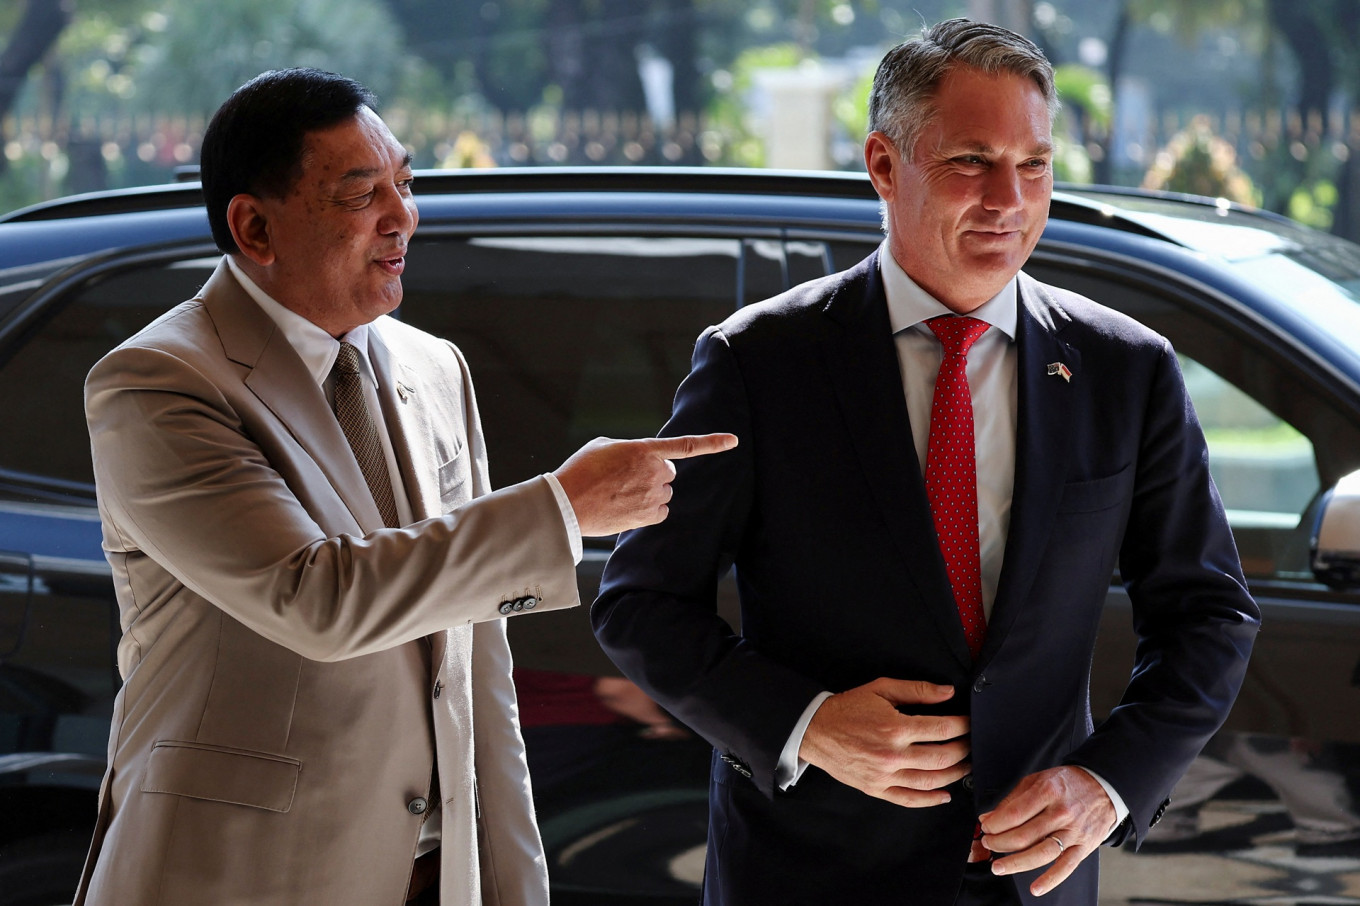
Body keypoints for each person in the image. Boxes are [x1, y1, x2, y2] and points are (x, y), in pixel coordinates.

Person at [592, 18, 1260, 906]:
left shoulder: (1125, 369)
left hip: (1034, 878)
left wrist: (1106, 785)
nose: (1008, 200)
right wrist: (807, 724)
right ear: (882, 163)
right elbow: (641, 603)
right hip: (807, 875)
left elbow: (1209, 615)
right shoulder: (762, 362)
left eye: (1034, 165)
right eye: (970, 162)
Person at [75, 68, 734, 906]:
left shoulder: (431, 363)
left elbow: (474, 651)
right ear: (254, 227)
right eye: (362, 196)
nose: (403, 218)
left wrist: (510, 878)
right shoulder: (157, 382)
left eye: (406, 183)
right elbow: (316, 596)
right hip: (240, 872)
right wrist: (564, 506)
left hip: (435, 870)